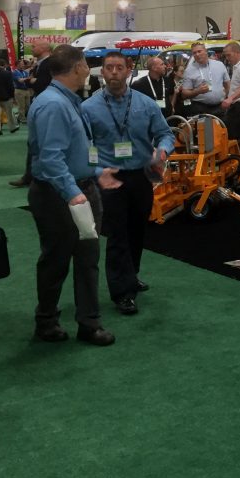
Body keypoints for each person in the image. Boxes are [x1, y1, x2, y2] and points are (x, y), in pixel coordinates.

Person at [27, 45, 122, 347]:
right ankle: (47, 321)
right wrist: (72, 193)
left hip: (79, 188)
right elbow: (50, 158)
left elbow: (76, 150)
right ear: (77, 67)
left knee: (87, 259)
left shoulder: (68, 101)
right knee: (56, 260)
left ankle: (89, 323)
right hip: (59, 195)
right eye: (85, 64)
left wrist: (96, 172)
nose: (88, 69)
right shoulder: (54, 105)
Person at [82, 52, 174, 316]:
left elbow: (165, 134)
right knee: (118, 235)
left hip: (141, 176)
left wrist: (162, 152)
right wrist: (97, 170)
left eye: (119, 67)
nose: (114, 72)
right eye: (109, 67)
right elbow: (86, 145)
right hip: (109, 178)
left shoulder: (145, 104)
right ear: (102, 73)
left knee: (137, 230)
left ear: (128, 71)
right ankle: (122, 292)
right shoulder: (89, 108)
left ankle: (131, 274)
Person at [10, 41, 55, 187]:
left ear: (44, 48)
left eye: (35, 46)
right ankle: (30, 176)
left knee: (43, 142)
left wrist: (32, 81)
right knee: (34, 142)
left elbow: (43, 83)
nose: (32, 48)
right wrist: (32, 81)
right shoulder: (38, 65)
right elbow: (33, 82)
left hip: (48, 105)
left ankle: (37, 177)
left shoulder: (50, 63)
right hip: (39, 103)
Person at [180, 41, 229, 117]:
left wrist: (226, 98)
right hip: (201, 108)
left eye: (199, 51)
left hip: (219, 107)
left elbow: (227, 84)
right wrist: (198, 91)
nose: (197, 54)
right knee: (207, 125)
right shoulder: (189, 70)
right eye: (194, 53)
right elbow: (184, 94)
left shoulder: (219, 65)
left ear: (206, 51)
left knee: (221, 125)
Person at [13, 58, 32, 123]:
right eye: (22, 64)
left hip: (26, 90)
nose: (23, 65)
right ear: (17, 65)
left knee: (28, 106)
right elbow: (20, 80)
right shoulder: (15, 72)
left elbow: (28, 80)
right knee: (21, 106)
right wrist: (27, 78)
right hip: (19, 90)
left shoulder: (25, 72)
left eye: (23, 64)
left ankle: (20, 117)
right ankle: (22, 119)